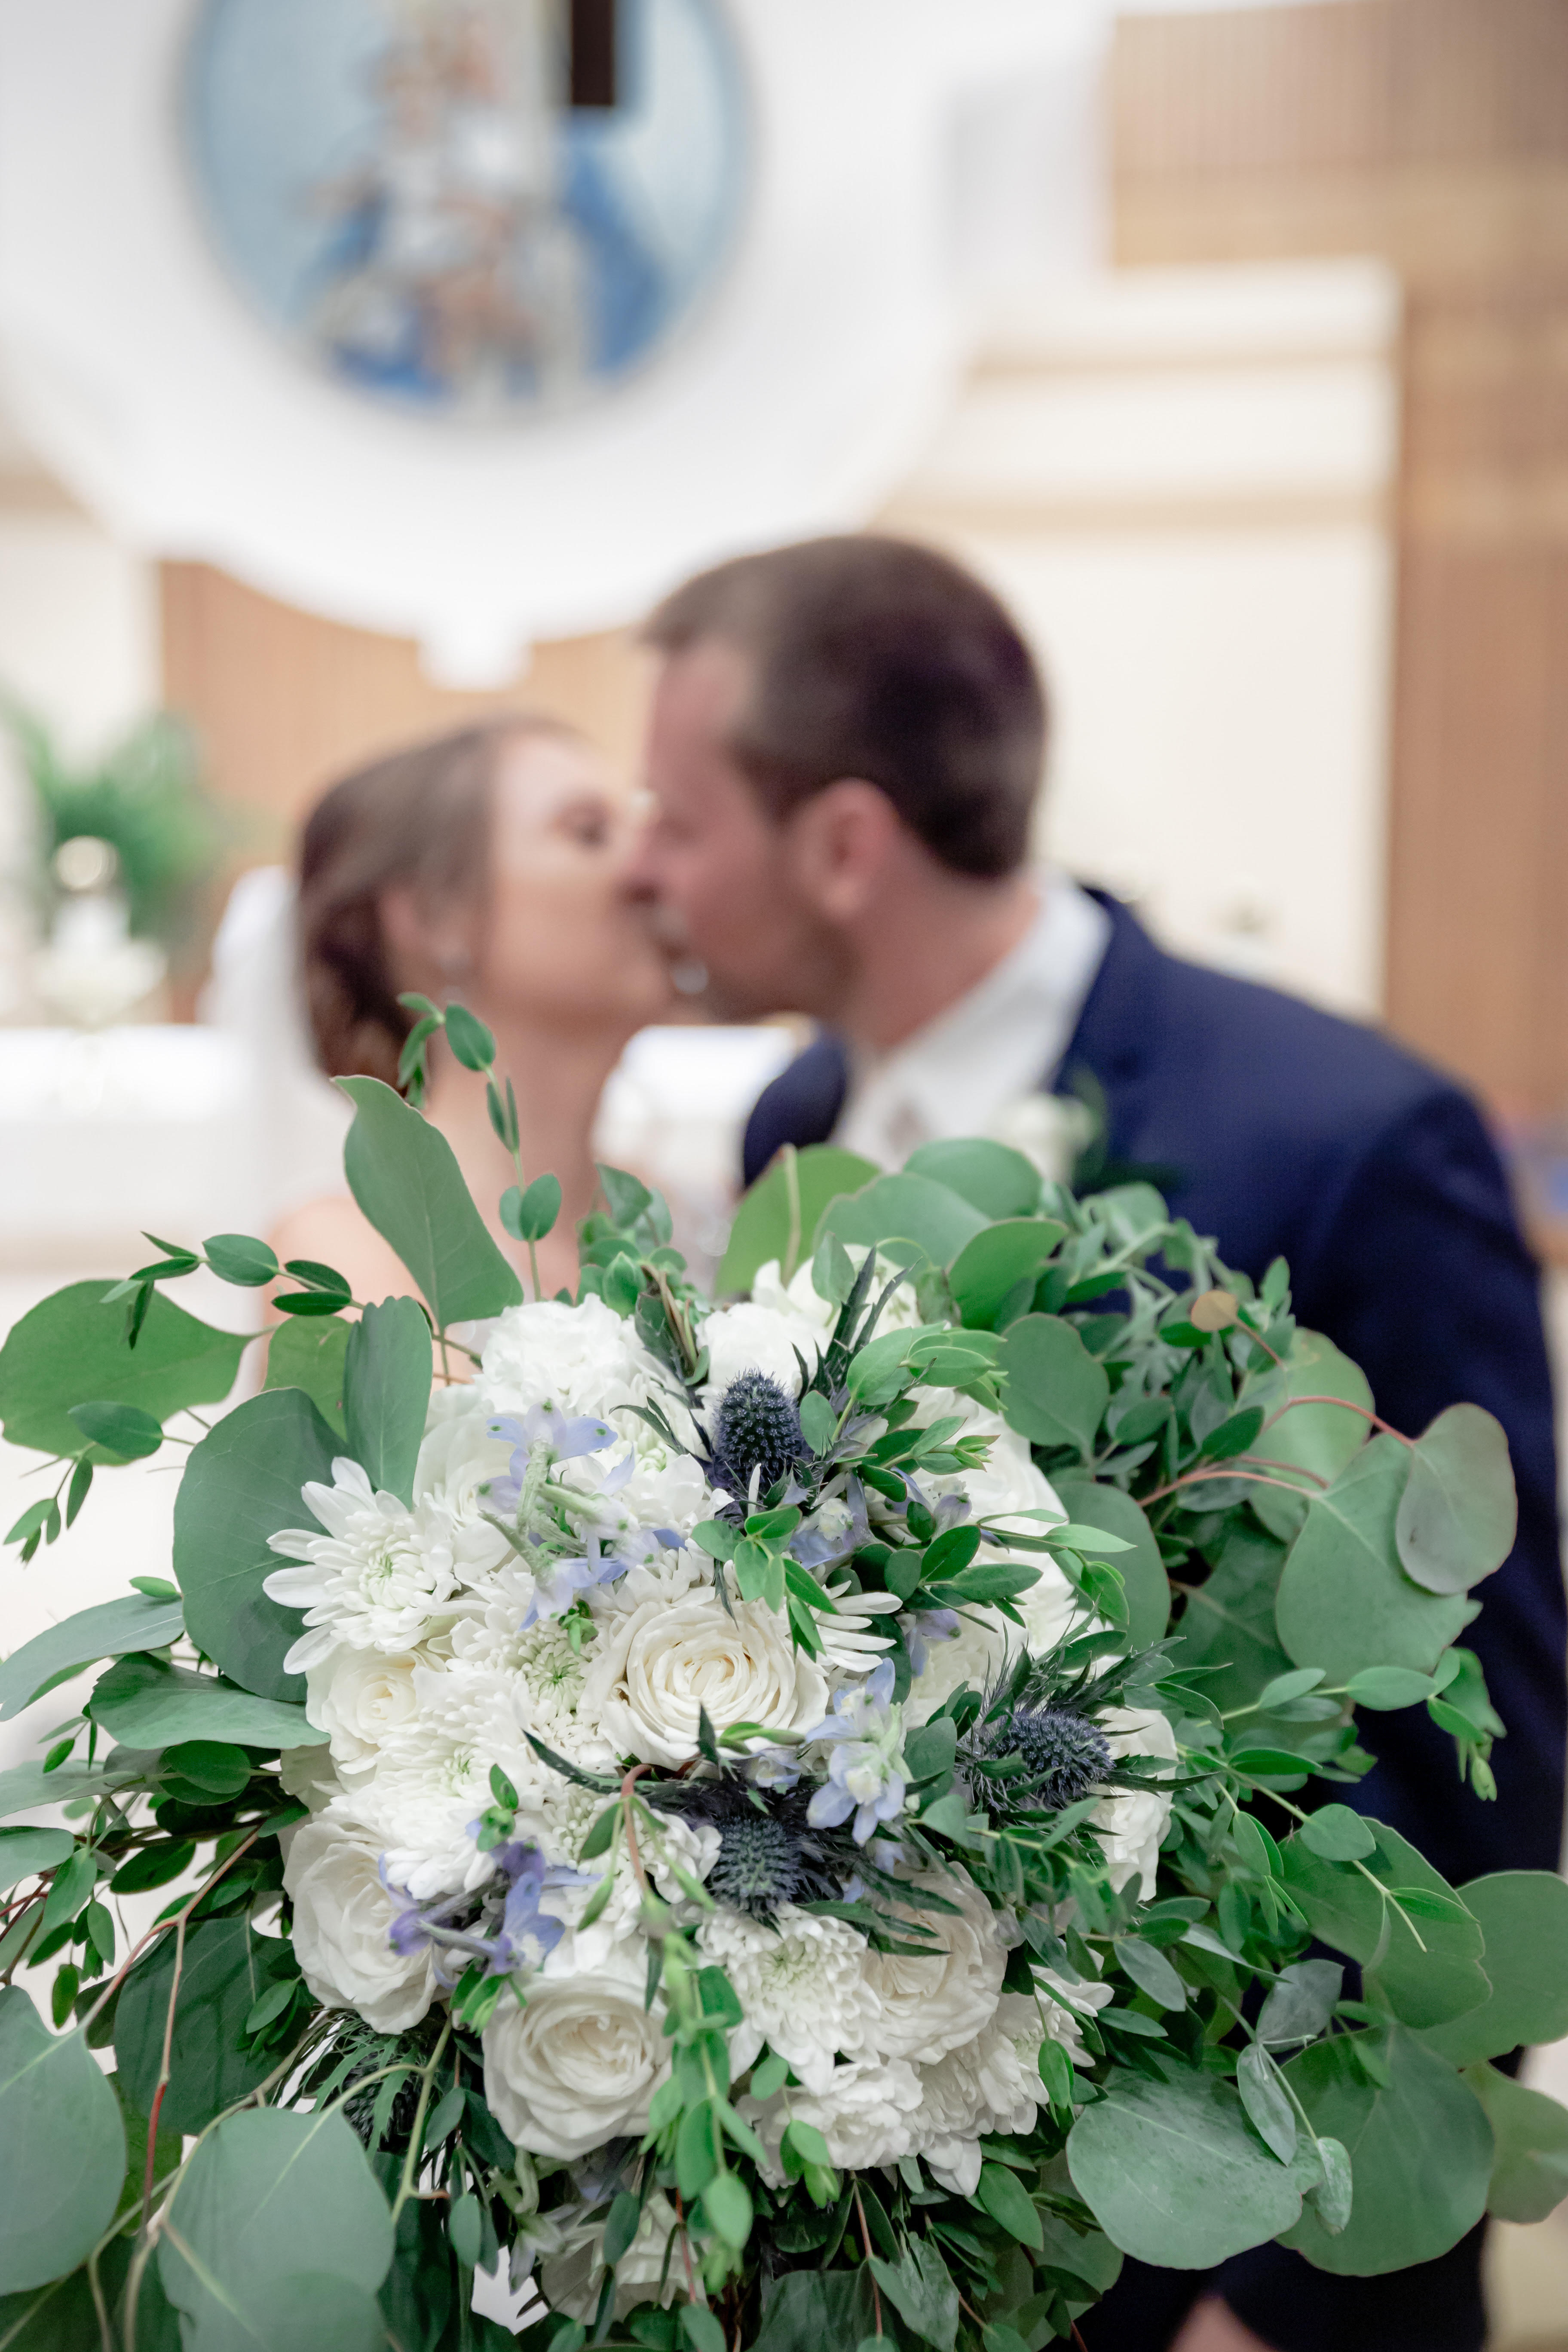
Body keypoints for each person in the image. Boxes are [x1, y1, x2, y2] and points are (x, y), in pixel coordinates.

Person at [626, 533, 1567, 2352]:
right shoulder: (792, 1121)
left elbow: (1481, 1750)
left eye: (678, 815)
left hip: (1219, 2255)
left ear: (842, 843)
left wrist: (1272, 2294)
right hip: (885, 2219)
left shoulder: (1343, 1137)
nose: (648, 867)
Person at [275, 714, 672, 1305]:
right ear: (435, 915)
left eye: (648, 828)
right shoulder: (352, 1256)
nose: (653, 869)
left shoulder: (694, 1220)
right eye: (590, 834)